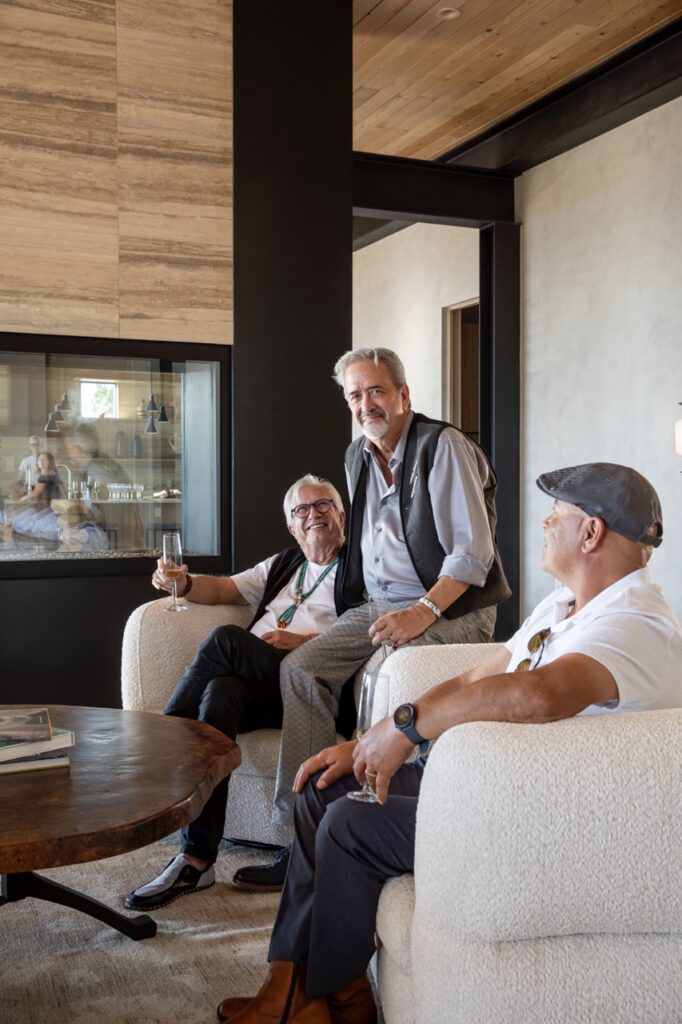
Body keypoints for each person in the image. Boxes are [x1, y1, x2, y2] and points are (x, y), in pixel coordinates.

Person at [215, 462, 682, 1024]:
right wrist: (368, 740)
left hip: (538, 818)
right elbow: (472, 680)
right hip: (485, 786)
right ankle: (290, 984)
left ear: (591, 533)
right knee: (326, 786)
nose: (545, 522)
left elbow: (537, 693)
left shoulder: (634, 624)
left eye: (557, 513)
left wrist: (408, 727)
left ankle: (336, 999)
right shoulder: (561, 607)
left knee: (349, 825)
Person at [241, 347, 510, 891]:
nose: (367, 404)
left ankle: (361, 831)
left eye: (377, 391)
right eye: (355, 395)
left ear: (403, 395)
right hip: (380, 604)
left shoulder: (444, 447)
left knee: (385, 671)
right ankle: (302, 840)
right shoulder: (356, 456)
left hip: (453, 606)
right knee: (300, 670)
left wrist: (422, 611)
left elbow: (471, 556)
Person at [124, 474, 348, 912]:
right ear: (292, 527)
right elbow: (225, 588)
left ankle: (158, 741)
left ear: (341, 515)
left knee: (227, 639)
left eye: (323, 505)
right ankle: (197, 859)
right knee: (220, 695)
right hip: (260, 684)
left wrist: (303, 645)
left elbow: (368, 634)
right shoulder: (286, 564)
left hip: (309, 688)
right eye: (302, 510)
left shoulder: (361, 567)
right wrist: (184, 584)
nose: (314, 514)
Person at [7, 451, 66, 543]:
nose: (41, 461)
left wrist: (19, 499)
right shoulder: (52, 474)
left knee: (17, 517)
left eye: (44, 459)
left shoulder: (45, 476)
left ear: (50, 462)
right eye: (39, 459)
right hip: (54, 509)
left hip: (50, 510)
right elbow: (39, 492)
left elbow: (36, 493)